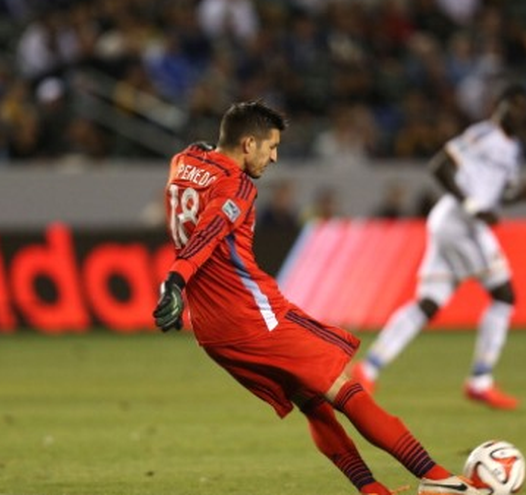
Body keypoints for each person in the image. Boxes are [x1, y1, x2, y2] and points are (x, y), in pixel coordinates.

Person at [153, 101, 482, 495]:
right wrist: (173, 279)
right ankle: (439, 479)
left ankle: (372, 490)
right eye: (270, 147)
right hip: (254, 317)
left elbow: (198, 154)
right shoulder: (237, 187)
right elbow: (208, 233)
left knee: (312, 401)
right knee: (344, 388)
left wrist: (179, 285)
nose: (273, 157)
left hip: (211, 331)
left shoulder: (184, 160)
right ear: (247, 144)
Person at [352, 84, 526, 410]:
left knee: (429, 303)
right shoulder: (484, 135)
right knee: (504, 295)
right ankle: (480, 380)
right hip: (459, 222)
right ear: (499, 105)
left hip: (456, 223)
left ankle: (368, 369)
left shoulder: (513, 150)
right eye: (513, 104)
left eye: (524, 107)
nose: (518, 112)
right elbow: (440, 166)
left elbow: (495, 196)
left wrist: (517, 197)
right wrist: (471, 205)